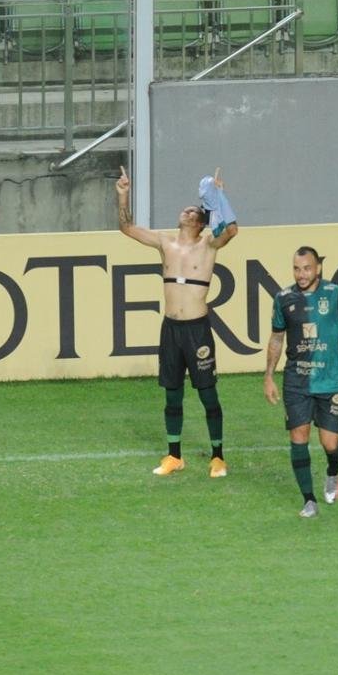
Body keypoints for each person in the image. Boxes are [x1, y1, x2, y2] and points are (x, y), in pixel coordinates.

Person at [116, 166, 239, 477]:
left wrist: (219, 196)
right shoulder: (164, 243)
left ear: (200, 222)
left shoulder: (208, 244)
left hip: (197, 330)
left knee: (207, 393)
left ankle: (218, 456)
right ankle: (174, 456)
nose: (185, 211)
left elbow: (232, 231)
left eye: (193, 210)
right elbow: (127, 227)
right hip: (170, 329)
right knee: (172, 393)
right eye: (185, 210)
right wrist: (122, 195)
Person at [264, 247, 338, 518]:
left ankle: (333, 472)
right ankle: (309, 500)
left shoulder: (334, 294)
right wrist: (269, 376)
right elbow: (276, 338)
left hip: (330, 380)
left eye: (306, 268)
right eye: (296, 269)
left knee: (330, 444)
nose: (301, 274)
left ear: (317, 268)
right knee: (299, 437)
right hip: (296, 380)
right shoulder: (283, 298)